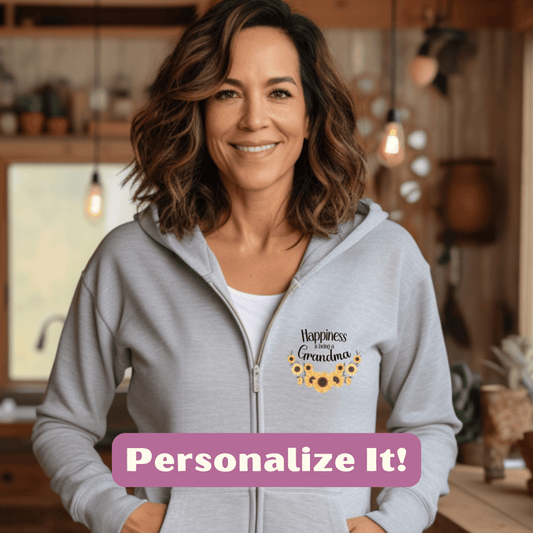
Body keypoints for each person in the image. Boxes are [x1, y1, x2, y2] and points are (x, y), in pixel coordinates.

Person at [31, 1, 462, 532]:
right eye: (227, 93)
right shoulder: (128, 262)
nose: (254, 118)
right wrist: (121, 515)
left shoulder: (386, 258)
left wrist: (391, 524)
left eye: (279, 92)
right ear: (198, 110)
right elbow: (62, 424)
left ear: (310, 117)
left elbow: (429, 425)